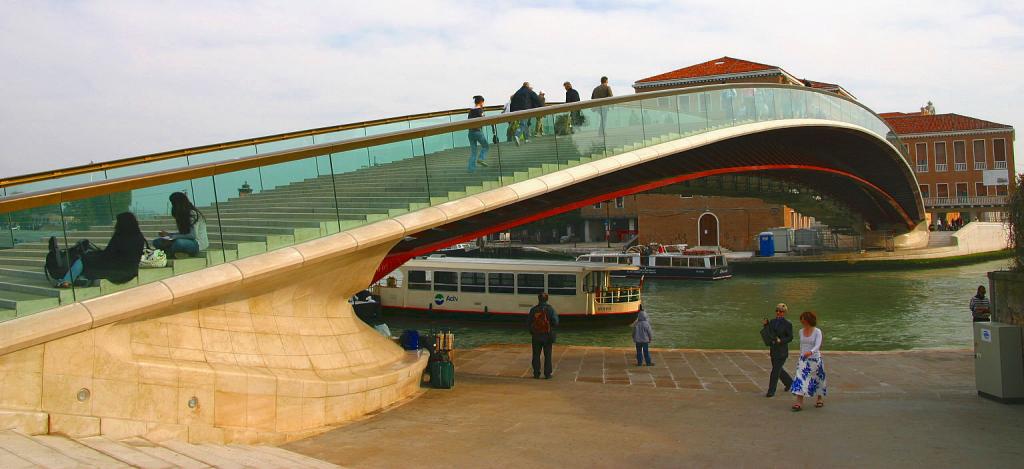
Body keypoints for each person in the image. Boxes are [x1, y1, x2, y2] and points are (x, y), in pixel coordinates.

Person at [55, 212, 146, 288]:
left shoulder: (119, 237)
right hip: (131, 271)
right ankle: (72, 279)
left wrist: (94, 254)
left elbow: (108, 255)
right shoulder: (140, 237)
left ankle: (66, 281)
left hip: (117, 272)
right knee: (89, 260)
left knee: (83, 259)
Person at [153, 192, 209, 258]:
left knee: (178, 243)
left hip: (197, 243)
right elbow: (183, 233)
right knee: (157, 241)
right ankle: (176, 253)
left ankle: (168, 253)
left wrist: (173, 237)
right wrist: (169, 235)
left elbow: (193, 235)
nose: (173, 205)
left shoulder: (192, 213)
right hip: (186, 240)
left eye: (173, 203)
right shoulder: (181, 214)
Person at [791, 311, 826, 411]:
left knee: (817, 379)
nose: (803, 323)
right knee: (800, 379)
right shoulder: (801, 331)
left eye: (804, 320)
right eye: (801, 321)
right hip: (803, 359)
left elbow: (818, 345)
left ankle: (819, 398)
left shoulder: (817, 331)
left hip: (815, 359)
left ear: (809, 320)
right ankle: (799, 402)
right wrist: (801, 356)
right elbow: (801, 345)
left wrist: (810, 352)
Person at [761, 303, 794, 397]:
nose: (778, 313)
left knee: (775, 371)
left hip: (782, 351)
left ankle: (771, 390)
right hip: (774, 349)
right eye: (777, 311)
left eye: (781, 311)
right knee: (778, 370)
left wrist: (781, 340)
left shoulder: (787, 324)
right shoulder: (772, 321)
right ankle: (790, 383)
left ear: (784, 313)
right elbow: (770, 333)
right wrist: (766, 325)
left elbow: (790, 337)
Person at [527, 292, 559, 379]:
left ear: (538, 299)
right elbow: (556, 322)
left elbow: (529, 322)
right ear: (547, 299)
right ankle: (547, 374)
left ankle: (536, 373)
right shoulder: (550, 309)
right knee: (548, 355)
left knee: (536, 355)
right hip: (547, 335)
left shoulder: (533, 310)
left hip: (536, 335)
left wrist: (533, 332)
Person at [466, 95, 490, 172]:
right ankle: (481, 158)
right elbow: (484, 119)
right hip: (478, 132)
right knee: (486, 146)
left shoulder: (470, 111)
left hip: (470, 133)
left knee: (474, 152)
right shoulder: (480, 110)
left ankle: (471, 169)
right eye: (483, 102)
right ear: (481, 102)